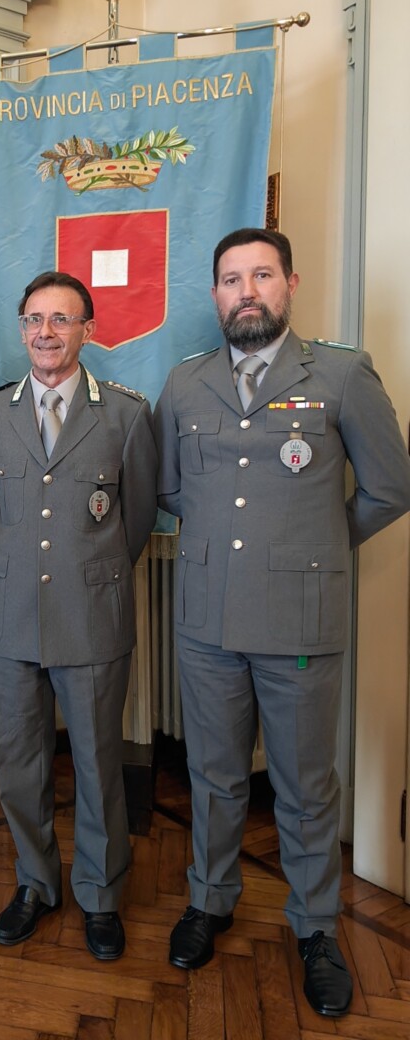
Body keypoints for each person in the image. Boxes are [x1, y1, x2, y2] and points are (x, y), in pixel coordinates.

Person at [154, 227, 410, 1018]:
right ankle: (209, 900)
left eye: (261, 275)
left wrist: (313, 548)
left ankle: (316, 929)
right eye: (231, 279)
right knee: (214, 776)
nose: (247, 292)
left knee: (303, 787)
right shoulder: (185, 383)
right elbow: (170, 490)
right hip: (207, 621)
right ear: (215, 295)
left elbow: (391, 488)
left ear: (290, 284)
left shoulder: (340, 374)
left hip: (300, 622)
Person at [0, 271, 158, 961]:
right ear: (22, 329)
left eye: (61, 319)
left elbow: (135, 520)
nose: (45, 332)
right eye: (34, 320)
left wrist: (89, 573)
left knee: (98, 764)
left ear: (88, 329)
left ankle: (101, 895)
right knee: (20, 764)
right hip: (13, 618)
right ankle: (35, 882)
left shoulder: (127, 415)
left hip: (92, 617)